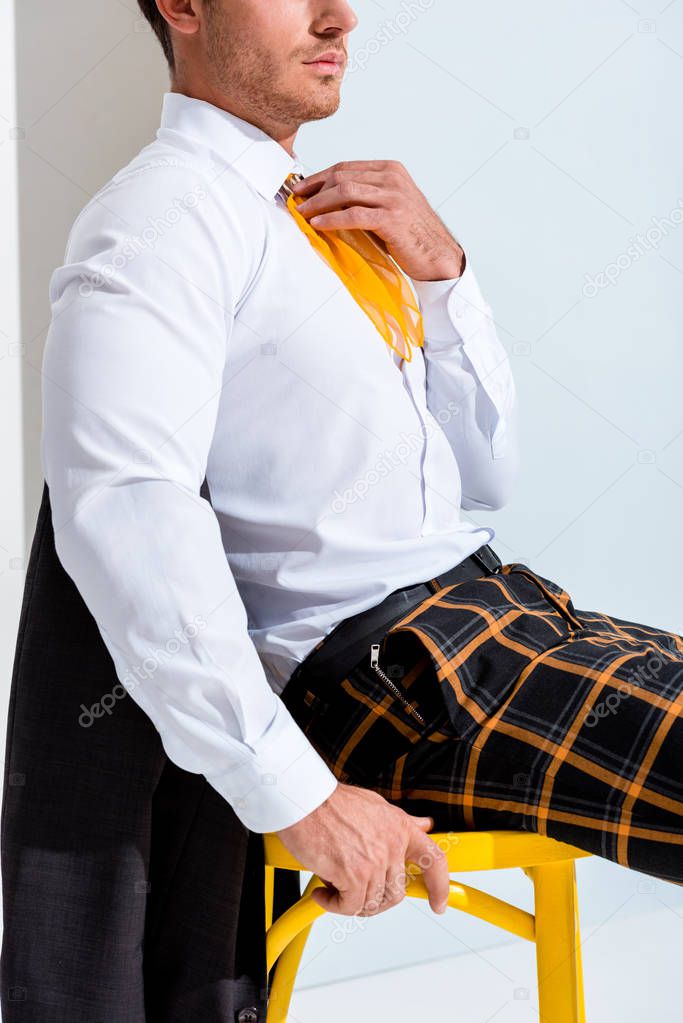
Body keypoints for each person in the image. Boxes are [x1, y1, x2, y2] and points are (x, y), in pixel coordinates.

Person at [2, 0, 681, 1020]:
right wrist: (298, 797)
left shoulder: (321, 212)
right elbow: (126, 519)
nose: (338, 15)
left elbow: (479, 483)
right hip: (392, 681)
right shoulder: (160, 221)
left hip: (510, 617)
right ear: (182, 6)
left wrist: (446, 281)